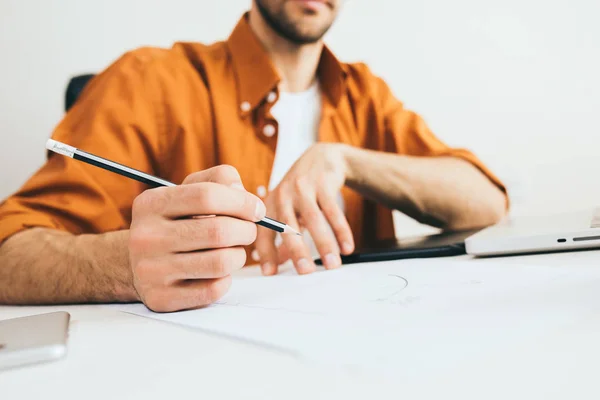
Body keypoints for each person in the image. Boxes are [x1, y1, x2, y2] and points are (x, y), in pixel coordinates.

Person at [0, 0, 507, 312]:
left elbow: (486, 204)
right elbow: (7, 253)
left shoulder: (365, 95)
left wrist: (348, 160)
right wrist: (122, 267)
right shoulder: (149, 81)